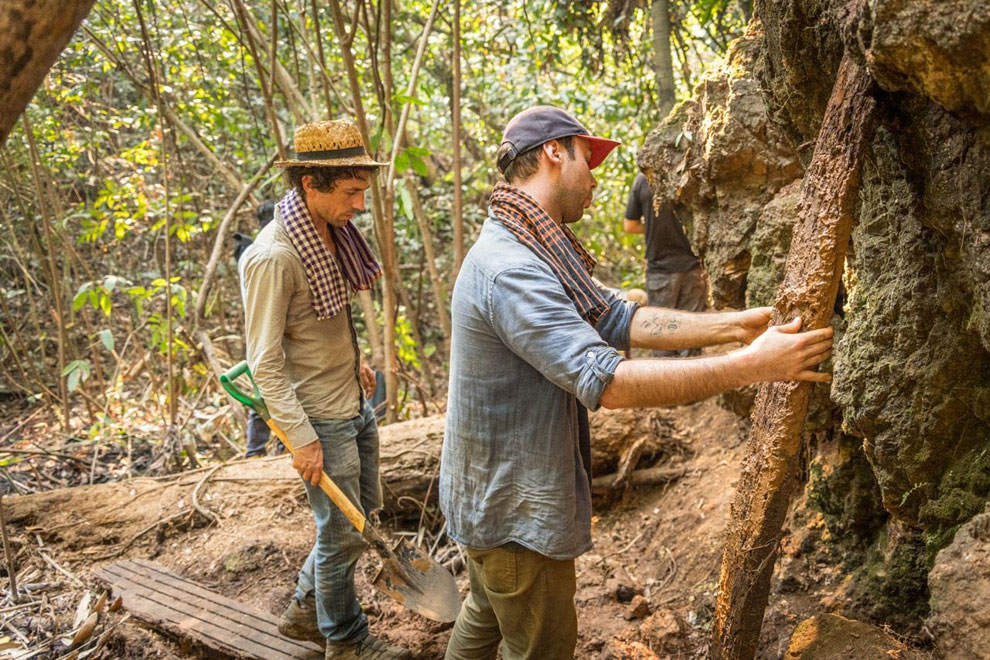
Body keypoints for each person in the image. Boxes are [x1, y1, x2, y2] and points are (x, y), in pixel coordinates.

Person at [439, 105, 833, 660]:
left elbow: (617, 317)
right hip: (513, 518)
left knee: (483, 619)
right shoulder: (513, 268)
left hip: (489, 503)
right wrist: (754, 366)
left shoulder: (530, 243)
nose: (595, 179)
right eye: (588, 159)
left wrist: (735, 327)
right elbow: (609, 382)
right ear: (554, 153)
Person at [238, 119, 408, 660]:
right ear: (311, 184)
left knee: (359, 517)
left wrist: (355, 365)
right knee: (340, 534)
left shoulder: (328, 232)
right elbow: (263, 361)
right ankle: (345, 640)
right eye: (351, 192)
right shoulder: (274, 256)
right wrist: (300, 437)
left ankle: (305, 610)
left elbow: (318, 323)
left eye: (363, 190)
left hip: (351, 402)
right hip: (318, 419)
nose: (361, 204)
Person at [624, 171, 707, 357]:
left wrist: (652, 227)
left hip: (660, 269)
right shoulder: (691, 172)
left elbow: (630, 225)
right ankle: (692, 376)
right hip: (692, 265)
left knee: (661, 337)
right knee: (693, 336)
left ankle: (667, 376)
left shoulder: (643, 179)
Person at [233, 201, 278, 458]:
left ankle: (257, 449)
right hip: (267, 326)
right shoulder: (264, 251)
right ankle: (261, 449)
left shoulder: (250, 252)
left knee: (265, 385)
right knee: (272, 385)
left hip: (256, 326)